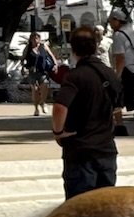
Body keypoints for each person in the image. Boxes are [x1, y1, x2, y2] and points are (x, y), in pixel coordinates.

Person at [51, 26, 122, 196]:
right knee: (104, 205)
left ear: (73, 49)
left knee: (79, 207)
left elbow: (60, 107)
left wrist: (58, 132)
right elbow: (118, 107)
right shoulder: (109, 74)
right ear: (96, 46)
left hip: (81, 151)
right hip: (106, 150)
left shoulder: (75, 76)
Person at [107, 9, 134, 112]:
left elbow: (120, 58)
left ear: (116, 20)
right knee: (131, 102)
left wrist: (117, 77)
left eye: (110, 21)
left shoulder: (118, 35)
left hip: (126, 71)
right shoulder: (132, 32)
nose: (110, 24)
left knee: (116, 99)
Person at [26, 36, 58, 116]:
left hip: (43, 72)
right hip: (32, 73)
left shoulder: (44, 46)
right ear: (31, 40)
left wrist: (55, 64)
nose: (35, 40)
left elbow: (51, 55)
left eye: (37, 38)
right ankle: (36, 108)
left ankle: (43, 102)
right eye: (33, 39)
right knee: (35, 90)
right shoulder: (28, 48)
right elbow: (23, 58)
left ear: (39, 39)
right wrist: (23, 67)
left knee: (45, 86)